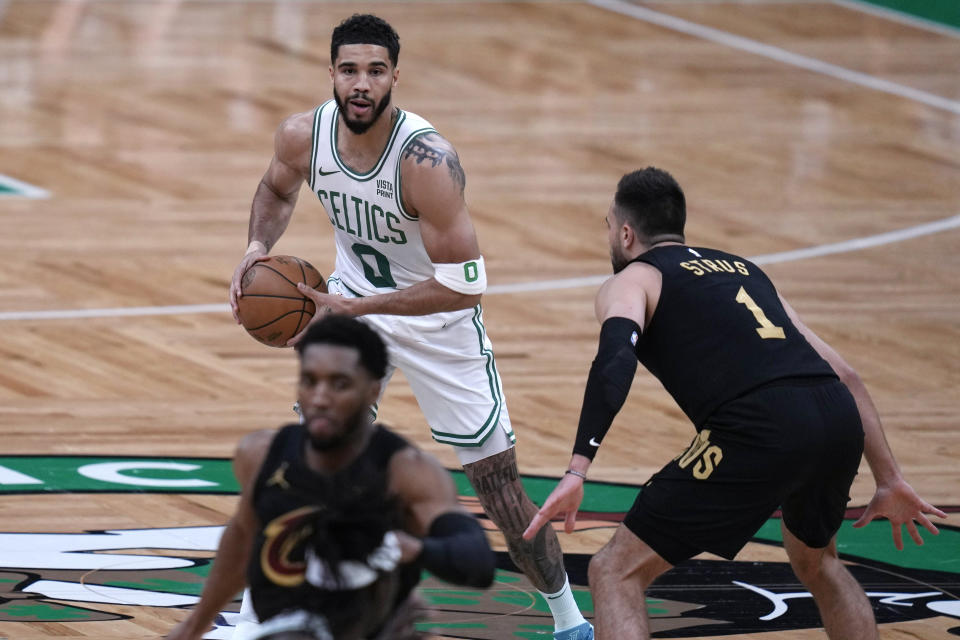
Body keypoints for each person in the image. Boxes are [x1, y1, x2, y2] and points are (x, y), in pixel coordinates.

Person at [227, 13, 592, 640]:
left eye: (374, 70)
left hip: (437, 321)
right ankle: (254, 622)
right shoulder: (301, 136)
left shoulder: (427, 161)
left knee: (499, 492)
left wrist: (360, 310)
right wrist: (256, 246)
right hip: (351, 306)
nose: (361, 84)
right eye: (349, 70)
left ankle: (570, 623)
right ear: (333, 75)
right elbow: (275, 189)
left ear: (395, 76)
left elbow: (465, 283)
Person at [523, 167, 947, 640]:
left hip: (759, 425)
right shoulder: (745, 269)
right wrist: (888, 477)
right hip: (833, 412)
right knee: (819, 561)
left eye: (608, 226)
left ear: (626, 233)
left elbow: (614, 361)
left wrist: (578, 467)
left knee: (614, 570)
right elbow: (846, 375)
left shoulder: (635, 278)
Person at [167, 315, 496, 640]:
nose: (321, 398)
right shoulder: (261, 453)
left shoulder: (405, 472)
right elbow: (241, 537)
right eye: (310, 381)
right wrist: (195, 625)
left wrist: (414, 548)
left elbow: (477, 559)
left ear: (372, 390)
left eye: (339, 384)